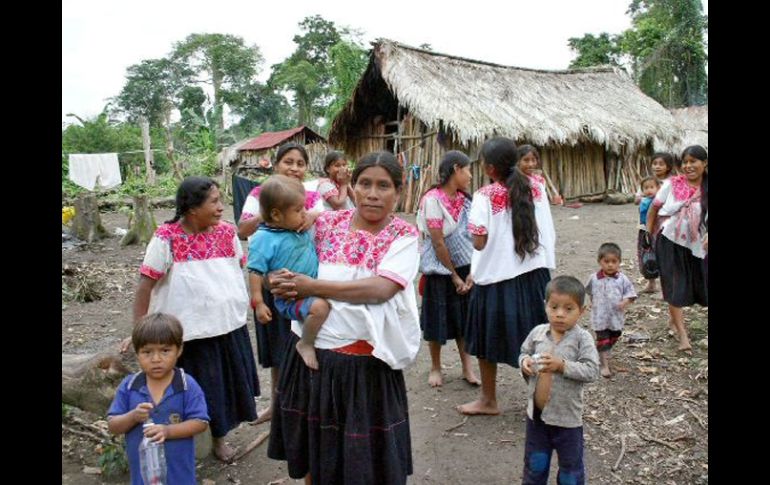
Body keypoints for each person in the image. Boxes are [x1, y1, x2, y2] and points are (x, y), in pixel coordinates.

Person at [267, 151, 420, 484]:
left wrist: (312, 286)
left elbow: (380, 290)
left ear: (398, 191)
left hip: (364, 368)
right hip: (310, 359)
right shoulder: (324, 223)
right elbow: (281, 255)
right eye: (365, 183)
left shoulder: (403, 236)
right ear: (354, 186)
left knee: (361, 463)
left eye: (383, 186)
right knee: (314, 451)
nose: (372, 194)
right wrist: (276, 279)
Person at [126, 176, 259, 463]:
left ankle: (219, 438)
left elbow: (236, 270)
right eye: (214, 202)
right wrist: (140, 331)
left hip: (228, 326)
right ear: (192, 208)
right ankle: (186, 440)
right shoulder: (167, 237)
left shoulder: (227, 232)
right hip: (191, 334)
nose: (221, 207)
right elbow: (146, 285)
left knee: (224, 388)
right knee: (199, 389)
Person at [459, 137, 555, 416]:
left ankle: (489, 400)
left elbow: (479, 243)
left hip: (496, 277)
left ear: (489, 168)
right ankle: (543, 402)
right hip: (535, 274)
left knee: (486, 339)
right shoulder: (537, 186)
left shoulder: (485, 196)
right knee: (536, 339)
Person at [237, 142, 326, 424]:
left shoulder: (311, 196)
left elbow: (326, 221)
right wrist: (271, 208)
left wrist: (312, 214)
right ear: (276, 165)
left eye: (300, 163)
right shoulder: (259, 194)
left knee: (312, 344)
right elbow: (242, 230)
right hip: (274, 284)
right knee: (278, 350)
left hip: (310, 282)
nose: (294, 168)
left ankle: (306, 407)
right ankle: (277, 406)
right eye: (288, 162)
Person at [109, 313, 210, 485]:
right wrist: (133, 416)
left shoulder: (187, 385)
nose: (156, 359)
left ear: (179, 350)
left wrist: (168, 431)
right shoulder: (129, 386)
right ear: (137, 353)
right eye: (147, 352)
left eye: (165, 351)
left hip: (179, 478)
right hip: (143, 478)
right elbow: (113, 425)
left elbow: (200, 422)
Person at [519, 276, 600, 485]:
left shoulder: (582, 339)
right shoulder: (537, 333)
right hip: (537, 419)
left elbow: (592, 370)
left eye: (568, 309)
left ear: (581, 311)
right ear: (545, 306)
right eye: (554, 307)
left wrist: (562, 366)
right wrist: (524, 362)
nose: (560, 314)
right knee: (535, 467)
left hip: (567, 421)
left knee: (570, 472)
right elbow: (524, 352)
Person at [247, 175, 331, 370]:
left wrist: (313, 215)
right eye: (299, 210)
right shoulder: (263, 238)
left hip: (313, 288)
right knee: (320, 308)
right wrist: (259, 303)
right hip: (290, 298)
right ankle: (306, 343)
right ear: (276, 215)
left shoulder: (295, 227)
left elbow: (323, 215)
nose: (304, 213)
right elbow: (254, 271)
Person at [416, 150, 479, 387]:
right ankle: (435, 367)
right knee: (437, 320)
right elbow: (438, 242)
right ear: (456, 169)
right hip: (440, 269)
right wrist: (454, 276)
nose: (470, 176)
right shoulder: (433, 200)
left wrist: (472, 272)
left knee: (464, 320)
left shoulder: (466, 200)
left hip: (466, 267)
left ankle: (467, 368)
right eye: (468, 170)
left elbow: (475, 235)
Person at [646, 145, 708, 353]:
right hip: (670, 241)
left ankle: (675, 321)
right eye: (685, 162)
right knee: (674, 286)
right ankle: (683, 334)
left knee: (701, 284)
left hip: (700, 245)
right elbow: (654, 208)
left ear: (704, 163)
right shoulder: (672, 184)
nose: (688, 166)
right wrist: (648, 235)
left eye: (693, 161)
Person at [585, 243, 637, 378]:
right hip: (599, 317)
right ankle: (604, 365)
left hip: (615, 317)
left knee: (614, 336)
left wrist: (625, 302)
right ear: (599, 261)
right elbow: (589, 291)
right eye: (606, 261)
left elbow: (631, 294)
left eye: (614, 262)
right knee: (603, 339)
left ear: (619, 262)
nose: (610, 265)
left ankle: (601, 350)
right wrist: (592, 302)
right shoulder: (594, 278)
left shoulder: (622, 279)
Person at [637, 176, 661, 293]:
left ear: (658, 188)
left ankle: (665, 286)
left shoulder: (659, 201)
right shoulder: (644, 200)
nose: (649, 190)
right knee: (646, 256)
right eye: (646, 188)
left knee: (659, 256)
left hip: (657, 231)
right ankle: (651, 283)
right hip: (644, 231)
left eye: (652, 187)